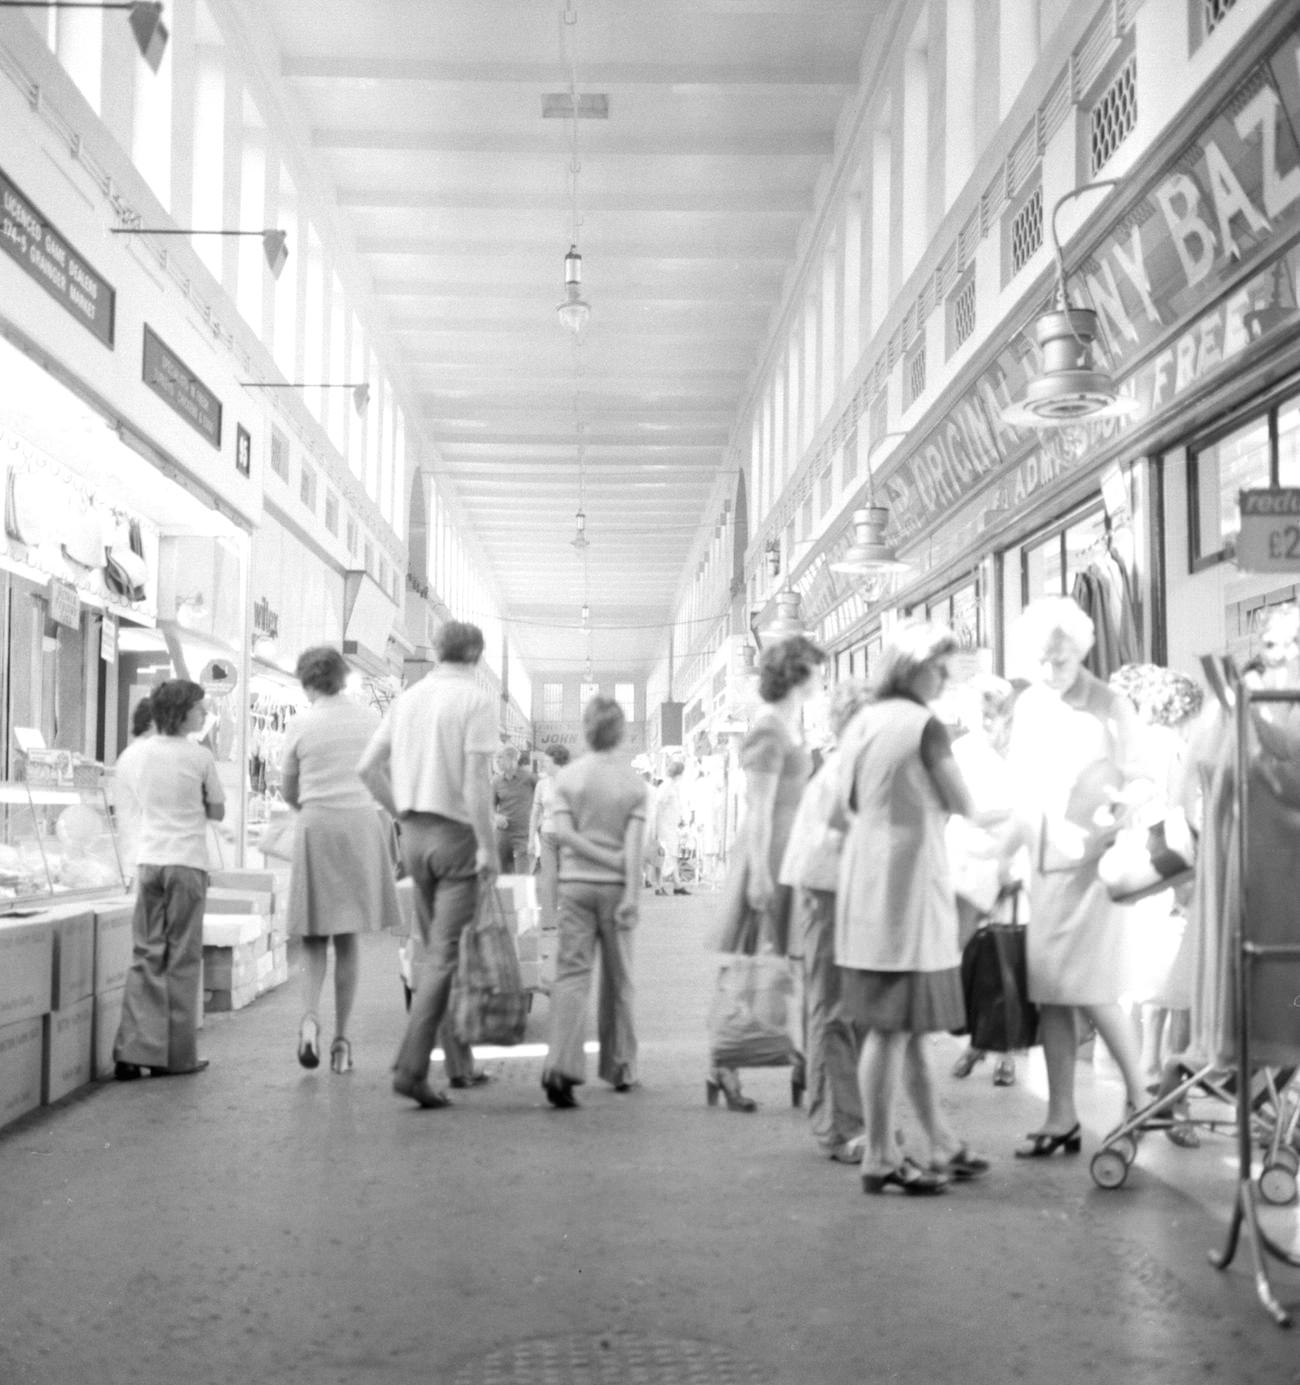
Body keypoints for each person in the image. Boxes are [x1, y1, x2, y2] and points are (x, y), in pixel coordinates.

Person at [836, 624, 992, 1195]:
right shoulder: (925, 726)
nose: (942, 679)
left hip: (867, 881)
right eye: (937, 668)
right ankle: (879, 1154)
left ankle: (941, 1142)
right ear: (911, 667)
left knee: (905, 1028)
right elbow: (962, 801)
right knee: (890, 1028)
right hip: (907, 885)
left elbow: (848, 798)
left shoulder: (863, 723)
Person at [1007, 596, 1149, 1157]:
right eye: (1042, 660)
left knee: (1089, 988)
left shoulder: (1111, 704)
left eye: (1060, 660)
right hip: (1045, 865)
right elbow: (1020, 784)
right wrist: (1012, 857)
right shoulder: (1031, 706)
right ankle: (1061, 1114)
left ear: (1080, 653)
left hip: (1093, 865)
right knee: (1052, 995)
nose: (1050, 671)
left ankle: (1141, 1097)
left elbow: (1142, 778)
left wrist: (1117, 810)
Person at [357, 620, 499, 1110]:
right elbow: (478, 781)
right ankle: (412, 1068)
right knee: (444, 955)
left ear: (436, 652)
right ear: (477, 655)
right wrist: (488, 846)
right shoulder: (477, 701)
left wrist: (401, 813)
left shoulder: (407, 699)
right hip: (457, 837)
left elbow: (366, 768)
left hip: (414, 837)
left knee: (434, 951)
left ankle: (459, 1066)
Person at [708, 633, 826, 1112]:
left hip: (791, 856)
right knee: (750, 961)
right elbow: (757, 808)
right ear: (799, 674)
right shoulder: (769, 730)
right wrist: (757, 872)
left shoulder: (788, 727)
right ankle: (726, 1062)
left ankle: (799, 1060)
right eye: (817, 669)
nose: (823, 678)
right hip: (768, 857)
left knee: (793, 961)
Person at [280, 646, 399, 1075]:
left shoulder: (301, 722)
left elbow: (287, 789)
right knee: (347, 939)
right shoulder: (371, 720)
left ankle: (310, 1020)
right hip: (361, 827)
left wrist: (309, 804)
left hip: (317, 827)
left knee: (313, 937)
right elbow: (385, 776)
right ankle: (342, 1043)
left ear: (309, 682)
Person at [778, 676, 871, 1163]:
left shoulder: (846, 765)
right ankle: (841, 1126)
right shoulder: (846, 769)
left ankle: (844, 1116)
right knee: (834, 1010)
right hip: (829, 893)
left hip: (836, 892)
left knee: (841, 1010)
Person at [112, 680, 224, 1080]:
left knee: (146, 955)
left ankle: (132, 1049)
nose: (204, 714)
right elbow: (218, 810)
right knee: (182, 958)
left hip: (149, 863)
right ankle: (177, 1057)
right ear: (180, 712)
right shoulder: (199, 756)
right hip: (187, 864)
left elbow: (132, 804)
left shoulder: (133, 755)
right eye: (199, 708)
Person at [541, 696, 648, 1107]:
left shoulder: (567, 779)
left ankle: (560, 1067)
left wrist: (593, 856)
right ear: (621, 733)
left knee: (571, 975)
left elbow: (563, 835)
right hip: (616, 889)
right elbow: (634, 852)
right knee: (619, 980)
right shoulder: (634, 784)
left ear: (585, 731)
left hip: (575, 887)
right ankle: (621, 1067)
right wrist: (628, 886)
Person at [948, 675, 1027, 1088]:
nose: (991, 723)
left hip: (1013, 866)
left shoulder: (1023, 754)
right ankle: (978, 1040)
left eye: (998, 715)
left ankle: (1007, 1053)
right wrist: (1018, 813)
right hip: (967, 865)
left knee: (1009, 962)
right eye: (984, 715)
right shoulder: (961, 752)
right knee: (968, 959)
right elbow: (970, 812)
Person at [527, 743, 572, 931]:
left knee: (569, 879)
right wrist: (530, 839)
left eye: (547, 761)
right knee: (549, 877)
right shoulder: (541, 784)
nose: (544, 764)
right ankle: (549, 920)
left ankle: (571, 918)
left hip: (568, 835)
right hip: (547, 835)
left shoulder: (572, 782)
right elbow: (535, 812)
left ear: (557, 761)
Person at [492, 744, 536, 875]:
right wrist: (496, 816)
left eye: (500, 757)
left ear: (513, 759)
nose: (497, 761)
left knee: (522, 877)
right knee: (502, 875)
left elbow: (542, 800)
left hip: (524, 834)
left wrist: (538, 822)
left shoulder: (530, 778)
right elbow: (490, 806)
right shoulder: (496, 781)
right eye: (496, 758)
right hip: (503, 835)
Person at [651, 759, 689, 895]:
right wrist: (656, 827)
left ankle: (677, 884)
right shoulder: (666, 786)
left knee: (672, 855)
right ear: (678, 773)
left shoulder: (672, 786)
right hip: (664, 827)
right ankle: (659, 885)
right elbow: (659, 805)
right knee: (666, 856)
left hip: (670, 826)